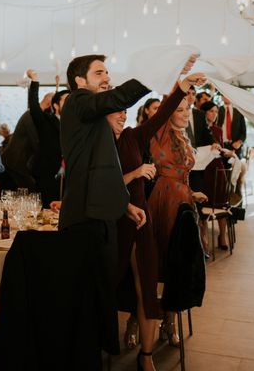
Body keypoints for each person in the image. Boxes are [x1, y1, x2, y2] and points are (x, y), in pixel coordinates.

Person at [59, 54, 176, 364]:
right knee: (86, 300)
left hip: (101, 217)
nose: (106, 77)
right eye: (99, 73)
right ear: (80, 82)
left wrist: (125, 205)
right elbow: (119, 96)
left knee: (98, 297)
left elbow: (102, 170)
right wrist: (159, 69)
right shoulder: (77, 101)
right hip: (83, 218)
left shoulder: (96, 120)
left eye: (107, 72)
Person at [110, 70, 204, 371]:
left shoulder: (132, 137)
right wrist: (134, 174)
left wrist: (183, 84)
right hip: (113, 221)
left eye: (124, 111)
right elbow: (97, 185)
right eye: (115, 112)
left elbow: (161, 113)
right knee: (111, 284)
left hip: (140, 219)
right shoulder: (97, 144)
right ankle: (114, 335)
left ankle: (147, 354)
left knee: (148, 285)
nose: (122, 116)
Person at [147, 89, 209, 355]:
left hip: (184, 202)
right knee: (154, 261)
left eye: (187, 109)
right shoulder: (159, 133)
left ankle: (169, 323)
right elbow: (167, 102)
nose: (185, 114)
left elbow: (183, 173)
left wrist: (191, 192)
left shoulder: (184, 137)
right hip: (162, 201)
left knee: (179, 265)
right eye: (179, 109)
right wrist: (179, 79)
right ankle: (139, 320)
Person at [26, 69, 70, 207]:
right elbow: (34, 107)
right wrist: (34, 81)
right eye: (66, 100)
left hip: (68, 178)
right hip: (47, 175)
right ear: (56, 105)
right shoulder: (46, 121)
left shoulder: (73, 125)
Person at [199, 100, 237, 252]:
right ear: (204, 113)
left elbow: (220, 149)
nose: (214, 114)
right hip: (203, 168)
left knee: (221, 201)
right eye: (211, 111)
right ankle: (203, 237)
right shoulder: (199, 129)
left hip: (218, 167)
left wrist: (226, 152)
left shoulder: (218, 130)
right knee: (203, 203)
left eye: (216, 111)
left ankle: (223, 235)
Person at [1, 91, 54, 191]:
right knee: (30, 191)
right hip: (15, 161)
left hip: (18, 161)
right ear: (49, 104)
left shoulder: (31, 114)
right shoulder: (31, 116)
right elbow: (37, 142)